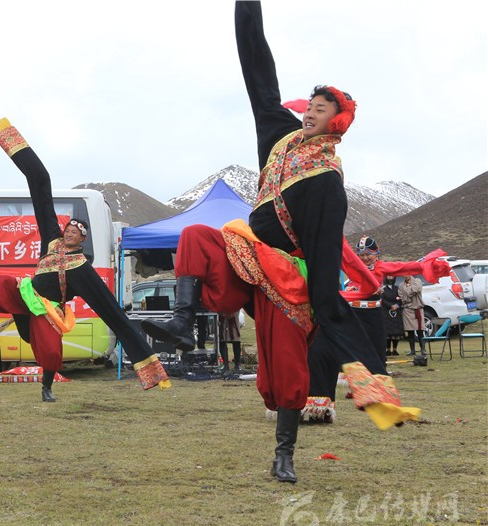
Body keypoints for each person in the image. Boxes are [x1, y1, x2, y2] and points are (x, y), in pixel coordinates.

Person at [142, 1, 419, 483]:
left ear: (337, 122)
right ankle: (183, 324)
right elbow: (259, 75)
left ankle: (284, 454)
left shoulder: (328, 184)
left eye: (320, 109)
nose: (309, 112)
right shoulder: (279, 139)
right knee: (195, 236)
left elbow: (324, 261)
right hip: (248, 252)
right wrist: (247, 9)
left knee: (287, 370)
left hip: (288, 277)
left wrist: (326, 310)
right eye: (309, 106)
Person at [0, 118, 170, 402]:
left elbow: (111, 311)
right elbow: (41, 187)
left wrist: (148, 363)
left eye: (74, 232)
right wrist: (10, 139)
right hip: (26, 295)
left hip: (47, 311)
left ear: (82, 240)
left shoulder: (82, 268)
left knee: (51, 351)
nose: (68, 233)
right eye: (67, 229)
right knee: (0, 282)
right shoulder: (52, 241)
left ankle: (47, 388)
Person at [303, 236, 449, 422]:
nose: (365, 258)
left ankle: (375, 393)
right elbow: (336, 261)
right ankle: (356, 388)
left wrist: (424, 265)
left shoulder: (382, 267)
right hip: (354, 313)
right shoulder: (354, 268)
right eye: (362, 255)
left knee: (377, 353)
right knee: (349, 350)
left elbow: (405, 267)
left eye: (368, 255)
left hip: (373, 316)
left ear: (377, 254)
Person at [399, 275, 426, 356]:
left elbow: (415, 290)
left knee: (420, 331)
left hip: (417, 308)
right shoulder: (401, 285)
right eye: (404, 274)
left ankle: (423, 349)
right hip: (407, 310)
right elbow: (401, 297)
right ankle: (412, 350)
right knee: (410, 332)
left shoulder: (417, 281)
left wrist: (407, 292)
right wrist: (408, 295)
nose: (406, 275)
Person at [381, 277, 404, 356]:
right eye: (389, 276)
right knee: (388, 332)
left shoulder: (397, 288)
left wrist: (397, 305)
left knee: (396, 332)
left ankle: (394, 350)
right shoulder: (383, 289)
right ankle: (387, 350)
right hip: (386, 312)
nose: (390, 278)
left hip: (396, 312)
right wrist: (390, 305)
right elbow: (382, 300)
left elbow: (400, 299)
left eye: (392, 276)